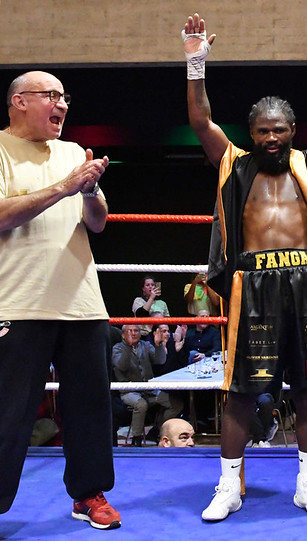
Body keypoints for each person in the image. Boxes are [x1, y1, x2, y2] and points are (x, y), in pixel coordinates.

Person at [182, 13, 307, 520]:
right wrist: (196, 63)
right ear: (251, 133)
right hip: (251, 286)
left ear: (293, 131)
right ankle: (228, 487)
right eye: (263, 131)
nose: (272, 139)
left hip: (303, 284)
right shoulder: (233, 163)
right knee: (241, 392)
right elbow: (201, 122)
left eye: (279, 130)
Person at [0, 70, 120, 529]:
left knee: (90, 408)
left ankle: (89, 494)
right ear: (19, 101)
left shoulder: (72, 153)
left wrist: (88, 191)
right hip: (17, 301)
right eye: (51, 96)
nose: (62, 104)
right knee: (8, 413)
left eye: (64, 96)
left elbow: (98, 222)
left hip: (82, 303)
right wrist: (63, 188)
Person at [112, 325, 183, 446]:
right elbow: (122, 366)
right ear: (123, 335)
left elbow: (160, 361)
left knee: (176, 404)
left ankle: (158, 430)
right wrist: (129, 347)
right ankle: (137, 438)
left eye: (136, 331)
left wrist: (158, 345)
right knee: (141, 404)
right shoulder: (117, 348)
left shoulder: (145, 345)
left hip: (149, 390)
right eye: (130, 331)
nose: (133, 333)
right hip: (128, 391)